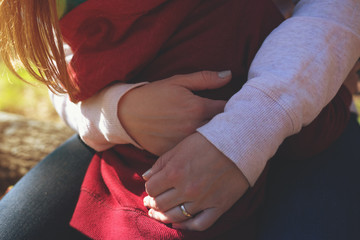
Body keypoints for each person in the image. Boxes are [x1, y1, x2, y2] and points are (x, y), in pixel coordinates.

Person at [0, 0, 359, 239]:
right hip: (125, 138)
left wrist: (240, 138)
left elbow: (336, 10)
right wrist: (119, 111)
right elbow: (57, 68)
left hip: (295, 92)